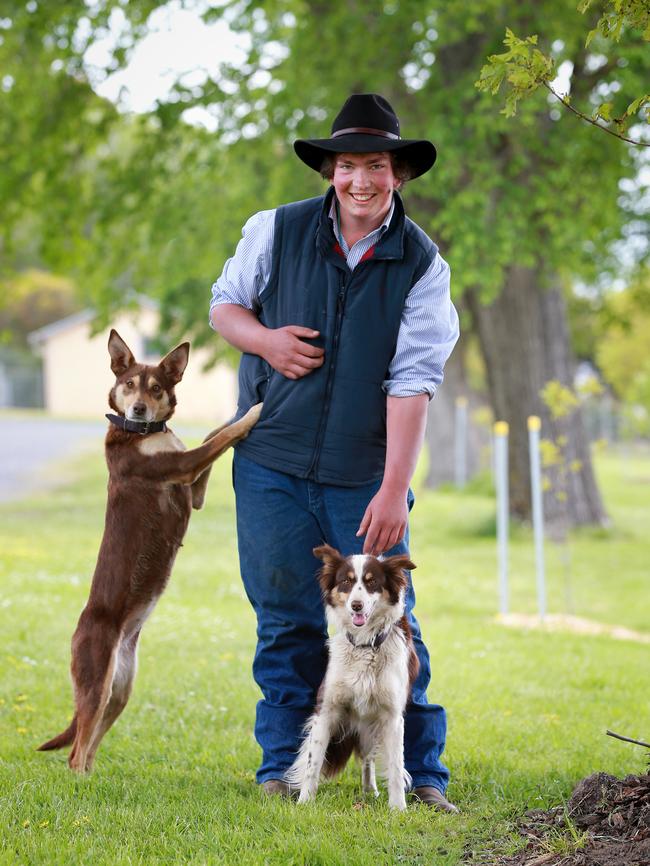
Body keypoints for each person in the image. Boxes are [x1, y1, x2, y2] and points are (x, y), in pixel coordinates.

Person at [209, 93, 460, 811]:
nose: (360, 180)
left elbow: (413, 382)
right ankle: (285, 769)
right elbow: (225, 304)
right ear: (330, 169)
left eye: (375, 166)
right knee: (283, 617)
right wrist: (266, 342)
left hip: (363, 475)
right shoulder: (276, 231)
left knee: (392, 625)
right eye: (348, 165)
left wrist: (392, 488)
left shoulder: (421, 266)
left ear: (398, 174)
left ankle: (422, 775)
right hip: (271, 466)